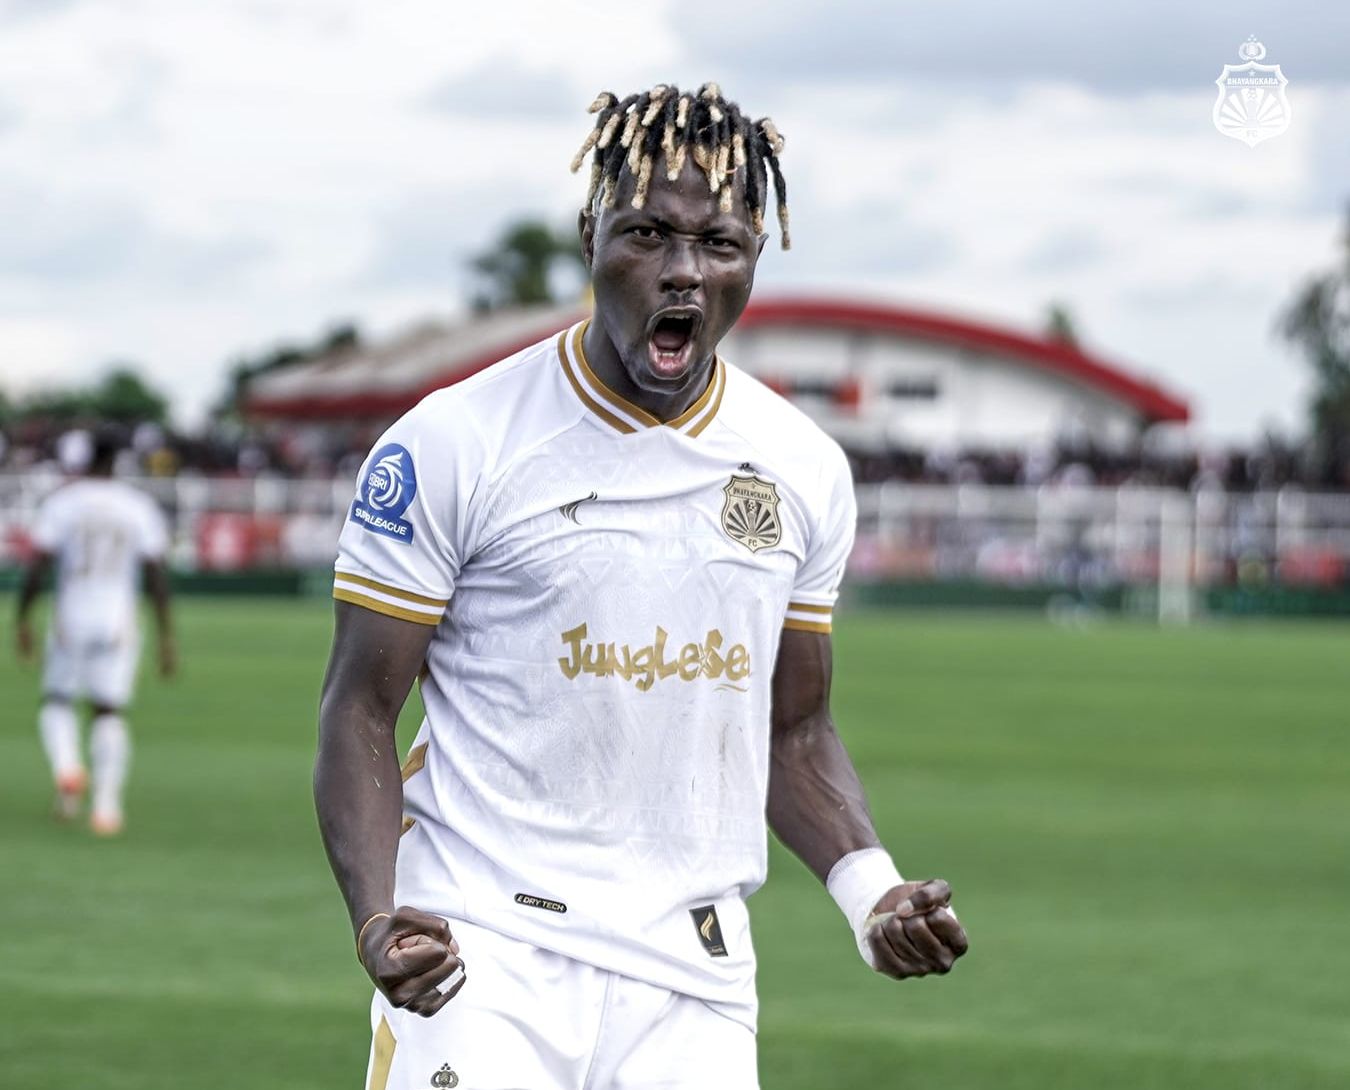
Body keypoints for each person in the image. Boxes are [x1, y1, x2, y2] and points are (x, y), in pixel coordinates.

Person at [315, 83, 968, 1090]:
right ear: (591, 235)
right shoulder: (455, 440)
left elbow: (791, 729)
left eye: (719, 244)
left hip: (694, 976)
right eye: (648, 233)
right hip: (481, 949)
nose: (684, 271)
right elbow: (360, 705)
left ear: (755, 257)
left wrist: (870, 893)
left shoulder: (801, 466)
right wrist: (375, 915)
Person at [15, 427, 175, 834]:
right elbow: (155, 573)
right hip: (117, 619)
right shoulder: (136, 506)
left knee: (57, 699)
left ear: (85, 460)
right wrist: (166, 635)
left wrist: (23, 619)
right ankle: (106, 806)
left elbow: (38, 565)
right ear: (117, 462)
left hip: (71, 615)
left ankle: (68, 768)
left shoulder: (63, 503)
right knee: (109, 709)